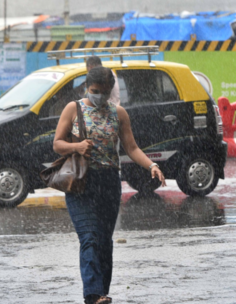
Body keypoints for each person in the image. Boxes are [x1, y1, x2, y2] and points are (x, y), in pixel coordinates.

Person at [53, 66, 166, 304]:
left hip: (109, 183)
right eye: (95, 91)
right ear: (86, 87)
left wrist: (151, 166)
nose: (100, 96)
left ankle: (101, 292)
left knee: (104, 241)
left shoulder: (119, 113)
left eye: (105, 92)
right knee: (90, 238)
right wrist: (77, 147)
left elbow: (131, 148)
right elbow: (57, 144)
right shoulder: (73, 109)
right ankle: (93, 295)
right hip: (80, 182)